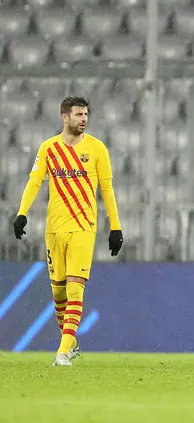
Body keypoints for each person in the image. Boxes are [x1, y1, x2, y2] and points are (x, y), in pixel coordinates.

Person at [12, 96, 123, 367]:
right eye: (78, 115)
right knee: (59, 295)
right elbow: (34, 181)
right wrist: (22, 213)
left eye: (86, 114)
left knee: (75, 289)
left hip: (84, 228)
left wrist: (115, 226)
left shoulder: (97, 149)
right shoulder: (48, 148)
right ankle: (70, 343)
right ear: (64, 117)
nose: (84, 119)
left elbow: (106, 188)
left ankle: (62, 353)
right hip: (55, 229)